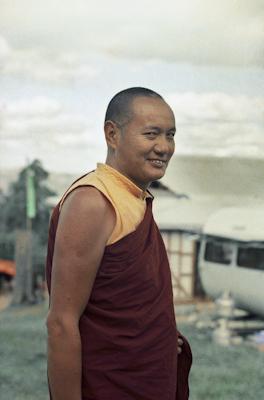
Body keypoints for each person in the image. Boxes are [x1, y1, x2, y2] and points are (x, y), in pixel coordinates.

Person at [45, 87, 192, 400]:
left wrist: (157, 334)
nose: (164, 147)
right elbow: (61, 322)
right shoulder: (93, 201)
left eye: (170, 135)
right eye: (151, 133)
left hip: (145, 377)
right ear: (112, 134)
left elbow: (122, 302)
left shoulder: (132, 196)